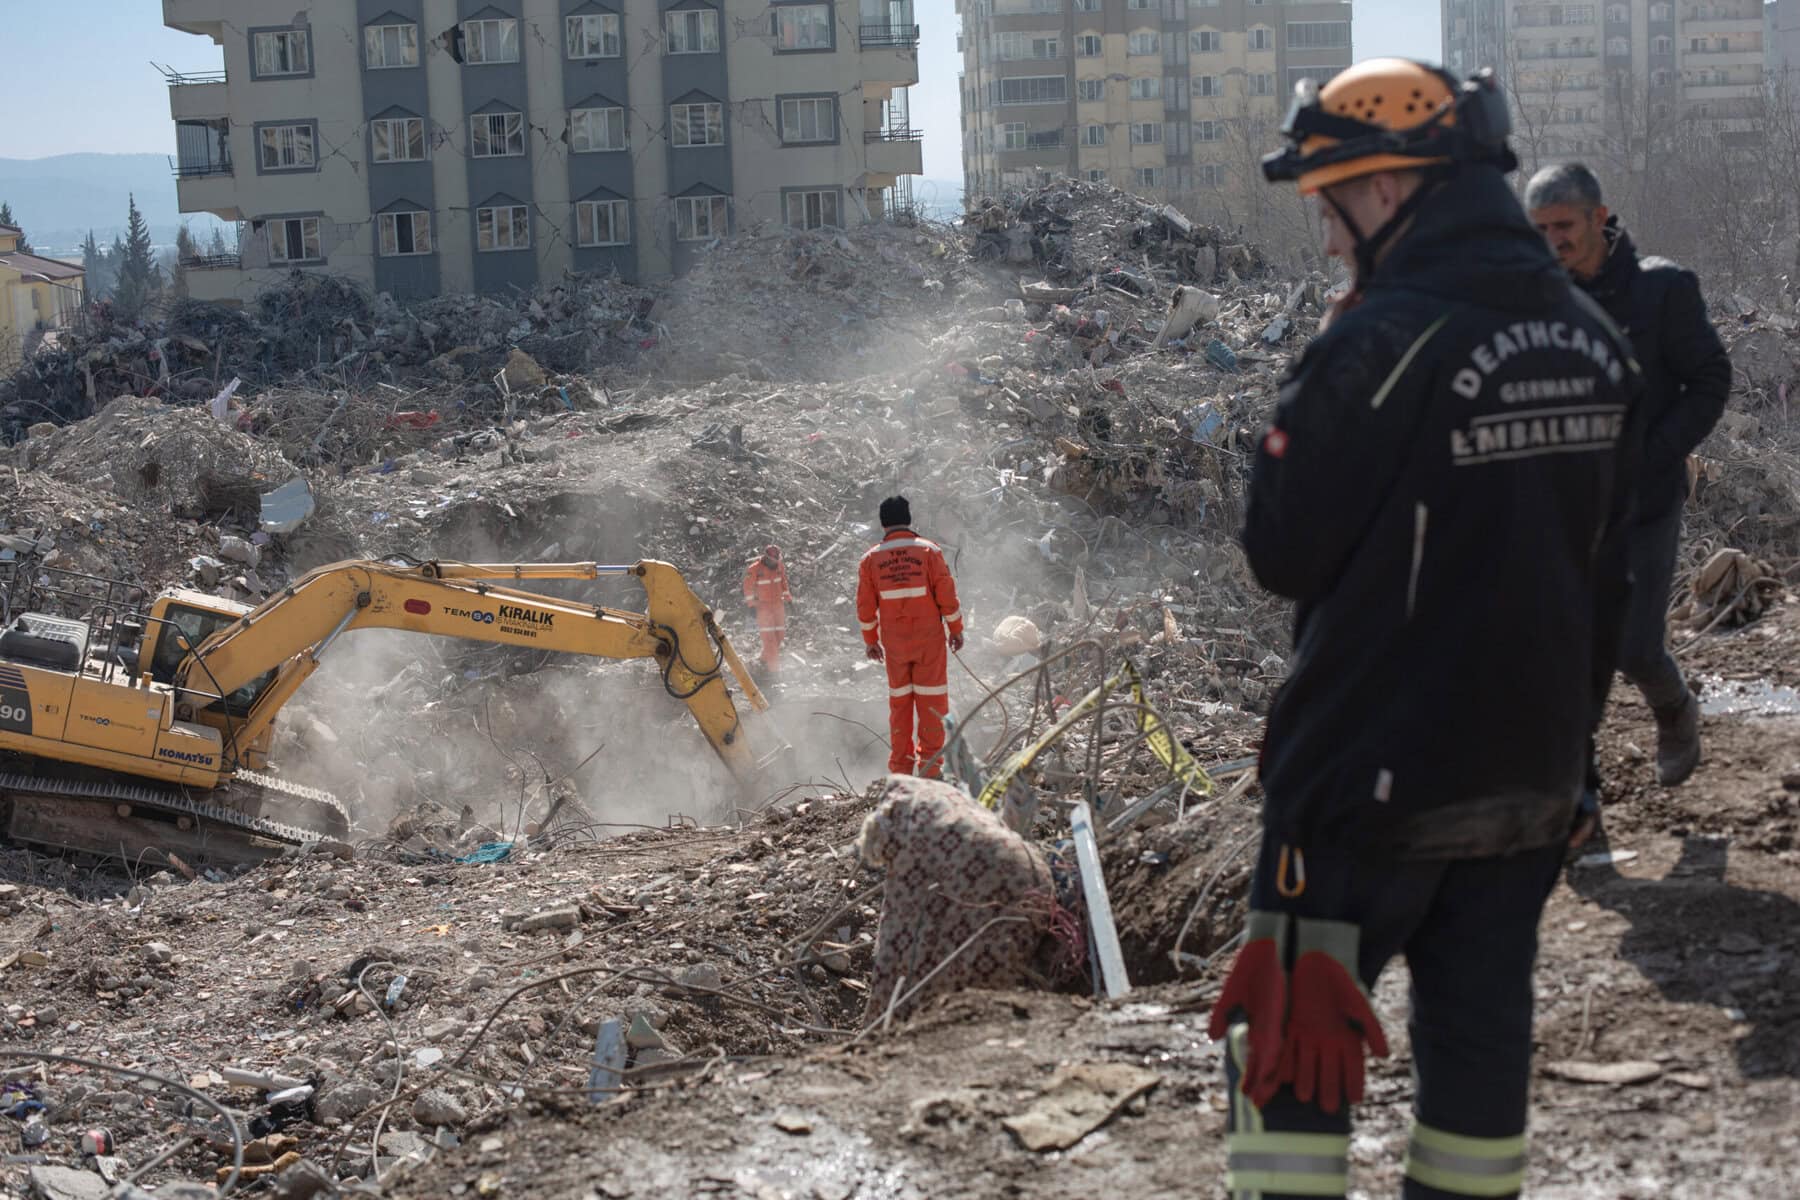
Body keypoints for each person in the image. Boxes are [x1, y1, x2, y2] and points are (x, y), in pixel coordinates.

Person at [1208, 60, 1641, 1200]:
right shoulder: (1594, 339)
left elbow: (1280, 554)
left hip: (1362, 791)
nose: (1325, 229)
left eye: (1330, 200)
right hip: (1533, 780)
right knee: (1480, 1070)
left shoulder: (1378, 343)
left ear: (1392, 188)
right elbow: (1602, 567)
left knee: (1292, 1077)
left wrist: (1306, 398)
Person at [1527, 163, 1731, 791]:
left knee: (1635, 646)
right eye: (1539, 230)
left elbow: (1709, 381)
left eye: (1564, 226)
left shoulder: (1663, 290)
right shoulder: (1537, 297)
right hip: (1563, 509)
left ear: (1599, 217)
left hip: (1644, 502)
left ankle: (1674, 709)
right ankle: (1574, 790)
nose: (1552, 241)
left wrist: (1654, 452)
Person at [855, 496, 964, 778]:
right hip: (929, 643)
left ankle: (901, 771)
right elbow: (947, 597)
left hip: (896, 647)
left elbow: (866, 607)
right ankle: (930, 769)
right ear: (909, 518)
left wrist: (870, 640)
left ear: (883, 523)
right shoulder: (929, 552)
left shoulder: (870, 559)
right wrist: (955, 629)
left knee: (900, 706)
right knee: (932, 704)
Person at [741, 544, 791, 674]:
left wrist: (788, 599)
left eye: (777, 559)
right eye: (774, 560)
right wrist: (751, 605)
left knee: (779, 636)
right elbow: (748, 588)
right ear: (767, 557)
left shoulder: (780, 566)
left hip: (778, 606)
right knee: (770, 641)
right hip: (763, 608)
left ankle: (763, 660)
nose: (776, 562)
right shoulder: (754, 569)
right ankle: (774, 672)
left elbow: (783, 582)